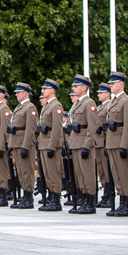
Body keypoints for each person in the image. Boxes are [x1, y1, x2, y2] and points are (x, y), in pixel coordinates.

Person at [105, 71, 128, 217]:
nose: (110, 85)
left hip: (120, 142)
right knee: (116, 174)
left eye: (113, 83)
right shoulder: (113, 101)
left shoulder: (126, 101)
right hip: (112, 142)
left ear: (121, 84)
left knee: (124, 174)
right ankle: (121, 202)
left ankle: (127, 203)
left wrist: (125, 144)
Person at [67, 75, 98, 214]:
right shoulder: (77, 104)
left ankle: (90, 202)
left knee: (87, 174)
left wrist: (87, 145)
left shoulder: (89, 103)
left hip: (84, 144)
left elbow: (92, 127)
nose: (73, 88)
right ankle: (84, 199)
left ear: (84, 88)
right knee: (79, 174)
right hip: (76, 143)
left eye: (76, 86)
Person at [9, 83, 38, 209]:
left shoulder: (30, 108)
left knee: (27, 171)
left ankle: (28, 197)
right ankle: (24, 196)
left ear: (26, 93)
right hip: (17, 143)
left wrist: (26, 146)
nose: (16, 94)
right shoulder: (19, 107)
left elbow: (30, 129)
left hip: (24, 144)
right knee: (20, 171)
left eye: (19, 92)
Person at [37, 79, 64, 212]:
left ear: (52, 90)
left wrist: (52, 146)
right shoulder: (47, 106)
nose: (43, 91)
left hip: (50, 144)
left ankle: (56, 200)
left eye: (45, 89)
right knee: (47, 174)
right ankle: (51, 197)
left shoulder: (56, 106)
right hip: (44, 143)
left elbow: (57, 128)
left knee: (53, 173)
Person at [94, 83, 113, 208]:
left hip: (105, 142)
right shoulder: (100, 107)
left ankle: (109, 194)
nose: (98, 95)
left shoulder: (109, 106)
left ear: (108, 94)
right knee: (101, 170)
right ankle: (106, 193)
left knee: (107, 170)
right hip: (98, 143)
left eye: (101, 93)